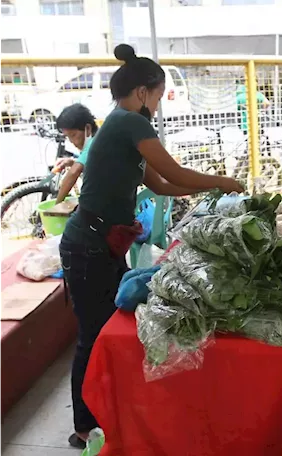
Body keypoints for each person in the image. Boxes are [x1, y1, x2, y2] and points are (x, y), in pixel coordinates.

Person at [60, 44, 243, 449]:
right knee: (93, 334)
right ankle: (84, 425)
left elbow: (159, 183)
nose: (158, 106)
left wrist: (206, 190)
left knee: (105, 329)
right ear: (142, 92)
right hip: (87, 244)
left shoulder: (120, 123)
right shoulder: (130, 122)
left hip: (97, 241)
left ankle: (106, 409)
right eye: (158, 96)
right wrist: (221, 182)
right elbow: (172, 170)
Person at [53, 104, 98, 204]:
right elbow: (92, 166)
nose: (72, 141)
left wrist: (56, 206)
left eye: (73, 135)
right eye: (68, 136)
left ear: (88, 128)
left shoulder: (94, 143)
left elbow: (73, 173)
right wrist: (71, 162)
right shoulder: (98, 137)